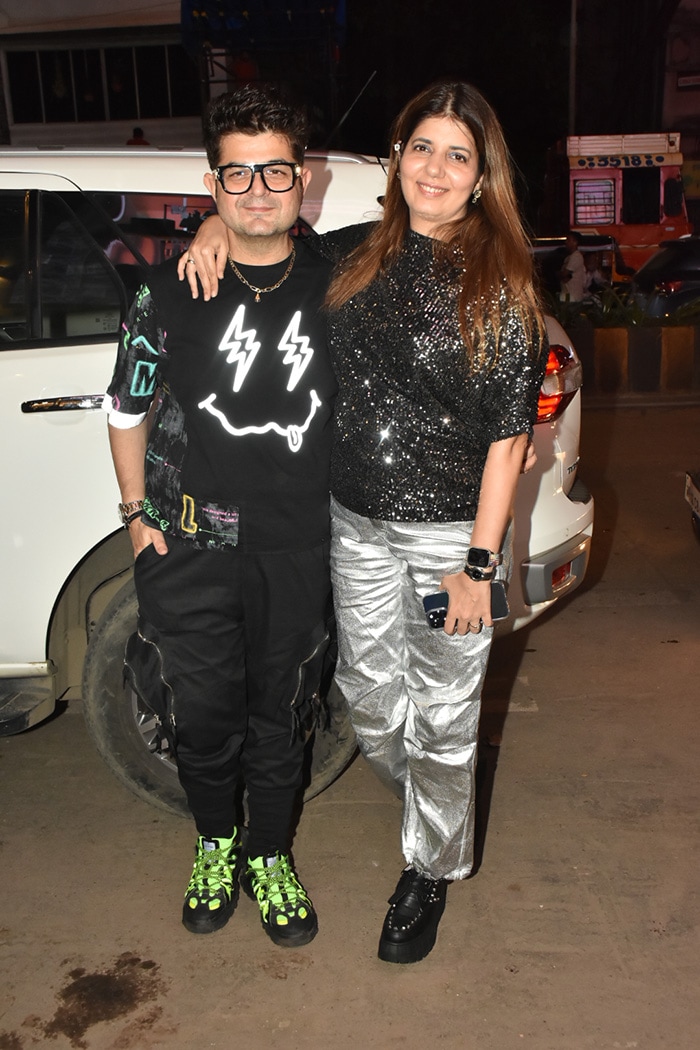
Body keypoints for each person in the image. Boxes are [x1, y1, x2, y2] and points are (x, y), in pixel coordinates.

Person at [181, 80, 548, 964]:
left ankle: (428, 868)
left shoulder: (499, 289)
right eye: (422, 147)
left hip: (448, 539)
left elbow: (508, 443)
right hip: (354, 526)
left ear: (480, 176)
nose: (435, 167)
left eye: (457, 154)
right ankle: (435, 794)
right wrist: (213, 229)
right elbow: (264, 236)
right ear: (396, 159)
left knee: (448, 717)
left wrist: (478, 564)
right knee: (373, 707)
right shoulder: (350, 255)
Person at [104, 85, 338, 948]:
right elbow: (125, 410)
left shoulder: (341, 283)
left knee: (281, 716)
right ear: (213, 184)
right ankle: (216, 843)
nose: (257, 189)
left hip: (296, 547)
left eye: (275, 169)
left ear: (303, 177)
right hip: (191, 544)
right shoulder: (167, 294)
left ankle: (270, 855)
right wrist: (136, 514)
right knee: (203, 717)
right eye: (236, 174)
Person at [559, 230, 586, 301]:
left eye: (568, 239)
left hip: (572, 297)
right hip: (567, 296)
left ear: (575, 242)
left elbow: (565, 274)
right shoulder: (569, 257)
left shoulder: (576, 257)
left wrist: (558, 274)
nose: (566, 242)